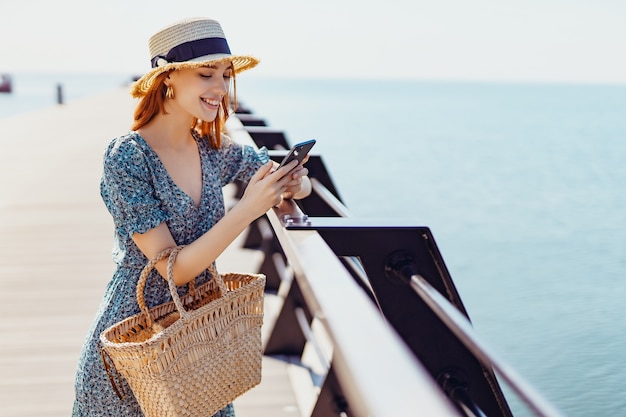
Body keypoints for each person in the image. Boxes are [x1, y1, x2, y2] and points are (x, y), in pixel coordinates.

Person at [72, 17, 311, 417]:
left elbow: (278, 174)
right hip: (137, 346)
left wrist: (294, 183)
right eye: (206, 74)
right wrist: (248, 209)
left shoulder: (212, 149)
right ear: (168, 79)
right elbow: (171, 268)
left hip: (200, 346)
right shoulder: (127, 157)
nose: (220, 88)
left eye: (225, 75)